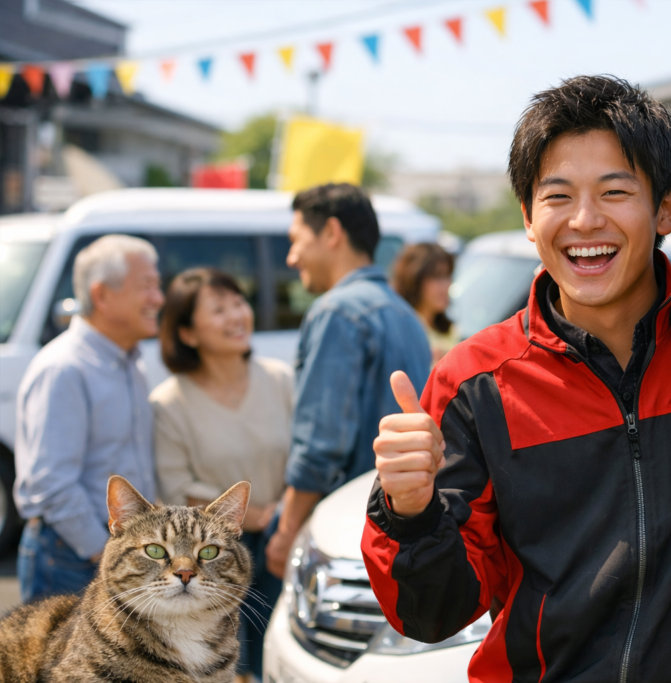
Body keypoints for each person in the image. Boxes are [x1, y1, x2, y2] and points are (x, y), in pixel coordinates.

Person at [363, 76, 671, 681]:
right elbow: (433, 614)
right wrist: (410, 511)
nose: (584, 220)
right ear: (529, 217)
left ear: (666, 208)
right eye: (557, 196)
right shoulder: (475, 383)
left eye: (614, 191)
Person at [265, 183, 433, 579]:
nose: (291, 257)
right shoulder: (403, 312)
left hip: (340, 527)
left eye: (296, 240)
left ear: (331, 233)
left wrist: (286, 530)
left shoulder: (336, 312)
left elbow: (320, 446)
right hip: (395, 521)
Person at [149, 267, 291, 682]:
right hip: (204, 553)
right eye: (218, 309)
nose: (237, 316)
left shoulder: (279, 378)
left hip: (284, 536)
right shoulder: (169, 402)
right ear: (188, 333)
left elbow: (305, 456)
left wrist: (285, 515)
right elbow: (176, 488)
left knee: (280, 657)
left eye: (239, 303)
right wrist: (254, 516)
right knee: (223, 664)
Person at [14, 234, 163, 602]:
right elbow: (51, 485)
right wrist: (104, 553)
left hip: (119, 552)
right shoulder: (64, 368)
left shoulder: (130, 362)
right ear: (102, 295)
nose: (158, 299)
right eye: (146, 286)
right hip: (74, 554)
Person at [391, 242, 459, 365]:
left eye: (448, 275)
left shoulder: (449, 329)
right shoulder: (399, 328)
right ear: (414, 279)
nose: (446, 285)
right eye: (438, 277)